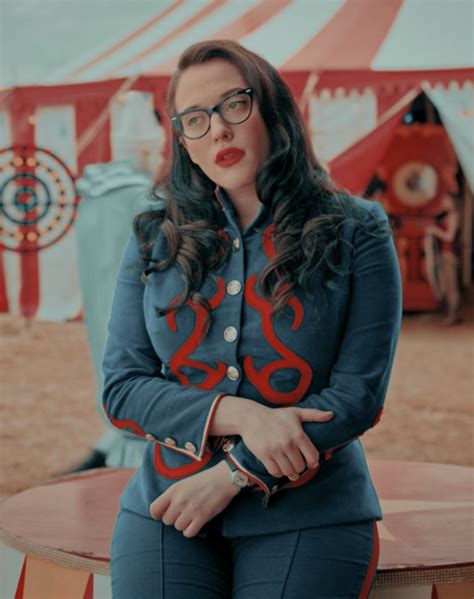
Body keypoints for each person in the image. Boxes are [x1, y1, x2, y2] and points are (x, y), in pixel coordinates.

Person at [103, 40, 402, 598]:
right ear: (183, 141)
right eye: (196, 119)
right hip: (170, 506)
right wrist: (244, 415)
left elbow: (358, 395)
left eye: (234, 105)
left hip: (310, 510)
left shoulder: (357, 228)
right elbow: (122, 390)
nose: (217, 130)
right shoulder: (153, 237)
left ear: (272, 110)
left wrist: (234, 473)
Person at [425, 193, 463, 325]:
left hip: (449, 254)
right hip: (444, 254)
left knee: (451, 286)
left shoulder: (453, 216)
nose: (441, 203)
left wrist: (435, 231)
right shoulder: (445, 215)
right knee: (445, 285)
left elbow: (449, 237)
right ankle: (450, 313)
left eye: (443, 200)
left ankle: (453, 314)